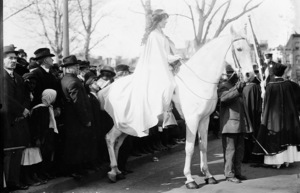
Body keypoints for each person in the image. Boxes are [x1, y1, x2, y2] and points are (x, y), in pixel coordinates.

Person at [99, 9, 181, 137]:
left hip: (162, 65)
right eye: (165, 20)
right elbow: (161, 55)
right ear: (159, 20)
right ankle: (164, 115)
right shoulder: (154, 35)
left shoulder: (161, 34)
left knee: (173, 83)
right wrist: (175, 57)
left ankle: (166, 114)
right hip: (156, 67)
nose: (166, 22)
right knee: (169, 84)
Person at [253, 63, 300, 168]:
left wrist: (263, 89)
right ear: (283, 73)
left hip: (275, 118)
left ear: (273, 73)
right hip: (288, 117)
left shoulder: (270, 86)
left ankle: (278, 162)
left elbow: (265, 101)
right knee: (288, 137)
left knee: (276, 137)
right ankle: (288, 160)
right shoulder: (289, 85)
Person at [2, 45, 31, 191]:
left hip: (19, 119)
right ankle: (6, 184)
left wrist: (25, 109)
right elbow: (4, 97)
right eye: (10, 58)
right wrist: (21, 109)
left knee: (18, 150)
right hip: (6, 119)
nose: (14, 61)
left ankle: (15, 181)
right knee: (7, 152)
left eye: (15, 58)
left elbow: (26, 96)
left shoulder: (19, 78)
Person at [60, 55, 92, 179]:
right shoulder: (74, 81)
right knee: (77, 145)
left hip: (70, 118)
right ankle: (75, 170)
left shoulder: (65, 79)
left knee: (73, 144)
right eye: (75, 66)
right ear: (68, 68)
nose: (77, 68)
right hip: (76, 119)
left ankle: (75, 169)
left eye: (77, 66)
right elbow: (78, 103)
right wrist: (86, 119)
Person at [217, 65, 248, 183]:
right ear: (231, 75)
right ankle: (229, 174)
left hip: (238, 124)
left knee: (239, 151)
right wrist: (237, 89)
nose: (239, 77)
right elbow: (224, 98)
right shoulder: (224, 86)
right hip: (229, 125)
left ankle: (237, 173)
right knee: (230, 151)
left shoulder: (235, 87)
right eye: (236, 74)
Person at [241, 70, 263, 164]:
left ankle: (248, 156)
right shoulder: (254, 87)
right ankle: (253, 156)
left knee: (248, 137)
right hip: (253, 116)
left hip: (248, 116)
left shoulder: (246, 88)